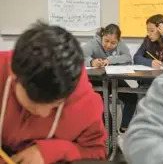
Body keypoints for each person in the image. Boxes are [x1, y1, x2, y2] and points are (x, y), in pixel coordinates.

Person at [0, 21, 107, 164]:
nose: (43, 113)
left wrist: (55, 150)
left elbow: (97, 152)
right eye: (33, 101)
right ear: (14, 75)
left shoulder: (85, 101)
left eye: (56, 104)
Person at [82, 24, 137, 133]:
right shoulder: (92, 43)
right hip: (97, 80)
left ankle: (123, 129)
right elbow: (79, 57)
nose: (108, 45)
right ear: (102, 36)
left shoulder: (121, 44)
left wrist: (110, 60)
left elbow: (127, 58)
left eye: (113, 43)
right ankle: (110, 133)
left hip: (114, 79)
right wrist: (91, 62)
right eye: (106, 41)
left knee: (132, 97)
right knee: (98, 102)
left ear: (118, 40)